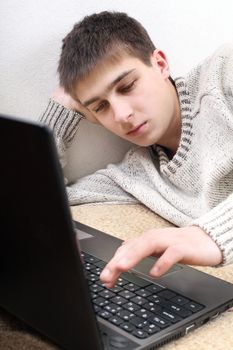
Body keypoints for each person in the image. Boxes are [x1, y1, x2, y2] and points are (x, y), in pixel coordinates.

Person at [39, 11, 233, 288]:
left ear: (160, 64)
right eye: (100, 107)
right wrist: (62, 109)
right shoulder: (136, 173)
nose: (120, 114)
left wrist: (212, 234)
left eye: (127, 86)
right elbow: (36, 199)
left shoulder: (224, 73)